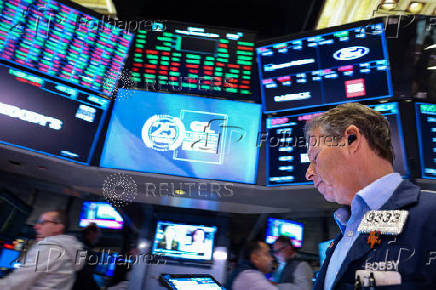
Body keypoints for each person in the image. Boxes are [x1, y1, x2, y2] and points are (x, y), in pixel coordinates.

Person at [305, 103, 436, 289]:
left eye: (315, 157)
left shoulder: (431, 214)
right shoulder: (342, 239)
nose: (309, 173)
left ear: (351, 139)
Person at [0, 210, 84, 289]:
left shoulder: (50, 248)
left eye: (43, 223)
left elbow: (15, 284)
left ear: (58, 227)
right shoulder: (68, 249)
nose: (36, 227)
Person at [72, 223, 101, 290]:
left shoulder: (78, 246)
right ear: (91, 233)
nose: (99, 238)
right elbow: (85, 276)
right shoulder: (86, 251)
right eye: (98, 234)